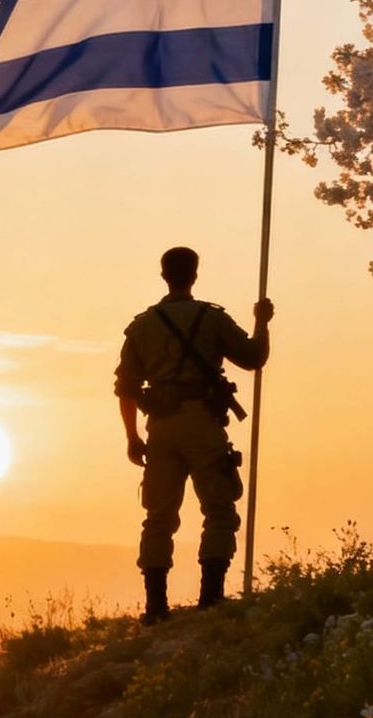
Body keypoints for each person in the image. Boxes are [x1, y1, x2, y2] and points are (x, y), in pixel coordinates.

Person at [114, 246, 273, 623]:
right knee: (219, 509)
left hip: (161, 427)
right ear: (195, 274)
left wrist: (132, 437)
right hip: (202, 421)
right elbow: (252, 357)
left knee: (158, 516)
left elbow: (126, 387)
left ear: (163, 274)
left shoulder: (142, 326)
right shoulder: (210, 318)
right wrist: (262, 321)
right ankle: (211, 600)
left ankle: (155, 608)